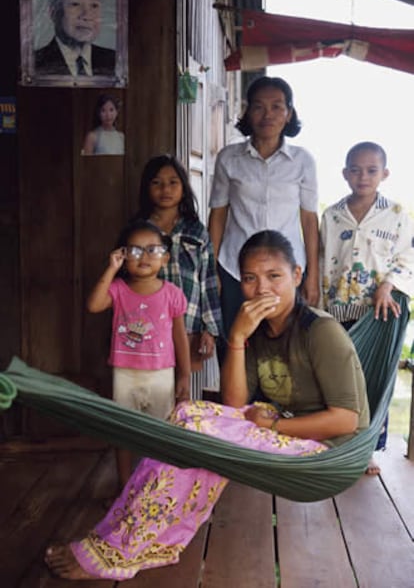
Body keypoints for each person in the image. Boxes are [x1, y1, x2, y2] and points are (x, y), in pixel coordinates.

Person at [45, 230, 369, 581]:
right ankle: (142, 539)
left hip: (329, 450)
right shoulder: (258, 328)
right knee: (185, 414)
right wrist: (239, 338)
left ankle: (121, 550)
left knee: (199, 436)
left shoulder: (321, 332)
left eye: (274, 276)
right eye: (250, 278)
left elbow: (346, 421)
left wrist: (274, 427)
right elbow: (235, 403)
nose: (261, 289)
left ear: (297, 275)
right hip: (284, 426)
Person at [320, 141, 414, 474]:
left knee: (373, 377)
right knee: (341, 381)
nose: (363, 176)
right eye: (356, 170)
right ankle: (337, 443)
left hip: (378, 313)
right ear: (345, 173)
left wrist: (388, 285)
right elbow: (322, 261)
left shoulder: (397, 214)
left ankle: (367, 450)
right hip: (338, 313)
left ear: (384, 173)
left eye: (371, 170)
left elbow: (407, 257)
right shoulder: (331, 215)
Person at [208, 76, 320, 342]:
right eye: (258, 106)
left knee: (285, 351)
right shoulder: (229, 158)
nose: (267, 114)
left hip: (286, 272)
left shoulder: (303, 161)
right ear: (247, 112)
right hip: (235, 269)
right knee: (235, 345)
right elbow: (218, 216)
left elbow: (309, 221)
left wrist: (313, 275)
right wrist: (212, 271)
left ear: (289, 113)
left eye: (277, 106)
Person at [87, 218, 191, 487]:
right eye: (134, 250)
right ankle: (124, 488)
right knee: (124, 433)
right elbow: (94, 304)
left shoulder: (173, 294)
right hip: (126, 374)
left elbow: (180, 337)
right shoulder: (118, 290)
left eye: (152, 250)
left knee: (161, 434)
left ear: (165, 259)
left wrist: (185, 376)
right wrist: (111, 270)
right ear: (122, 256)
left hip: (161, 375)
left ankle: (157, 489)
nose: (143, 256)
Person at [135, 154, 222, 391]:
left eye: (173, 182)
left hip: (189, 326)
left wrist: (210, 329)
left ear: (184, 188)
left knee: (183, 390)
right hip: (146, 324)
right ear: (146, 188)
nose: (166, 189)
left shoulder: (196, 230)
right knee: (149, 388)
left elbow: (209, 281)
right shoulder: (138, 230)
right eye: (157, 183)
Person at [35, 0, 115, 77]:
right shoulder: (34, 64)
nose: (87, 16)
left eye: (94, 5)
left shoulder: (115, 61)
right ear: (53, 11)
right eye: (75, 4)